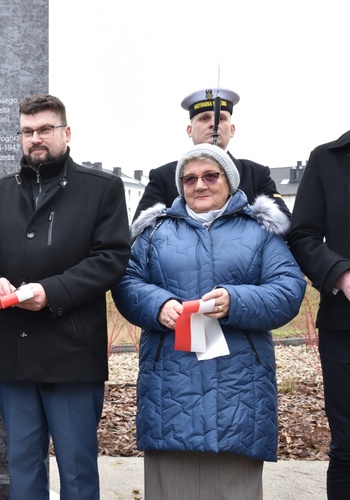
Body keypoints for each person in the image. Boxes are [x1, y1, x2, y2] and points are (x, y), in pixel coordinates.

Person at [113, 143, 305, 498]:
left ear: (229, 181)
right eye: (189, 179)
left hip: (239, 387)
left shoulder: (260, 230)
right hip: (169, 387)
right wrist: (158, 304)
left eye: (210, 176)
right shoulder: (155, 232)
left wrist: (236, 300)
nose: (199, 185)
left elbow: (289, 289)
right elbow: (125, 282)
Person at [0, 94, 131, 499]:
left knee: (76, 471)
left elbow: (111, 258)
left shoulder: (102, 188)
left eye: (44, 129)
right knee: (22, 469)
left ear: (66, 132)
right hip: (15, 351)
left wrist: (50, 291)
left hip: (72, 353)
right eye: (27, 131)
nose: (35, 138)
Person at [286, 130, 350, 499]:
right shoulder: (327, 159)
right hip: (346, 329)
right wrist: (341, 275)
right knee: (348, 448)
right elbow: (302, 235)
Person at [133, 88, 289, 220]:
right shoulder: (163, 177)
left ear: (232, 129)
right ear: (189, 130)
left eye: (221, 118)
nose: (213, 125)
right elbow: (140, 235)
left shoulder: (256, 174)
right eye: (204, 118)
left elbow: (283, 223)